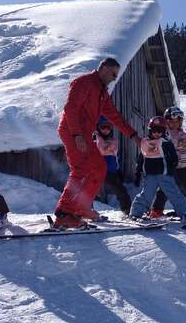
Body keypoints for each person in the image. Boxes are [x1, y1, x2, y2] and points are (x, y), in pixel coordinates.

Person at [54, 58, 141, 229]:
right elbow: (70, 108)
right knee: (80, 169)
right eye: (114, 74)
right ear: (105, 69)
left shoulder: (102, 93)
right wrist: (77, 134)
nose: (115, 78)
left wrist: (134, 136)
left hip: (84, 134)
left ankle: (81, 208)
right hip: (72, 130)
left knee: (99, 168)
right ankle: (64, 213)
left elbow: (115, 116)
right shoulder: (83, 82)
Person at [149, 106, 186, 218]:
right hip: (168, 167)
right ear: (167, 121)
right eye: (173, 121)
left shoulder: (184, 136)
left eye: (178, 121)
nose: (175, 124)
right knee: (164, 188)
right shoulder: (164, 135)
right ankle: (157, 210)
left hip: (182, 167)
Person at [129, 116, 186, 224]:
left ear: (164, 131)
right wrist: (138, 173)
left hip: (164, 174)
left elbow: (173, 158)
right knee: (146, 194)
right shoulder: (145, 142)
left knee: (173, 193)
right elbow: (141, 158)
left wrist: (171, 170)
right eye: (154, 130)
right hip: (150, 175)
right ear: (150, 130)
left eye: (160, 131)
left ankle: (183, 213)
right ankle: (135, 213)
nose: (157, 133)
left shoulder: (166, 143)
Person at [94, 116, 132, 216]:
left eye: (108, 127)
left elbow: (115, 157)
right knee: (88, 191)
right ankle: (82, 211)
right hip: (97, 171)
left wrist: (118, 170)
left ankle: (127, 210)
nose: (106, 130)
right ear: (98, 127)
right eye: (103, 127)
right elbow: (100, 150)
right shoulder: (95, 139)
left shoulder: (112, 139)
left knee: (121, 190)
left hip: (111, 172)